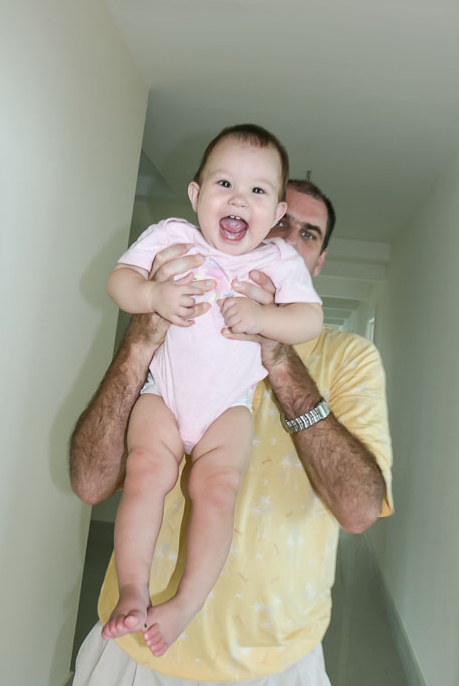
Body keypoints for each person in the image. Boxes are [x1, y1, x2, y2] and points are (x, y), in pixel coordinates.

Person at [70, 178, 393, 686]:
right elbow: (90, 482)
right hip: (136, 644)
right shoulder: (180, 315)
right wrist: (141, 338)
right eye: (278, 224)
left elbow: (359, 510)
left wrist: (279, 358)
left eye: (308, 234)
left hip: (272, 661)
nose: (286, 241)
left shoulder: (350, 358)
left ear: (318, 263)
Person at [101, 124, 323, 653]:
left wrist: (265, 318)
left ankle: (185, 603)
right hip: (164, 392)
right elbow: (119, 281)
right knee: (146, 471)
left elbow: (309, 320)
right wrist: (152, 295)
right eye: (224, 184)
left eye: (257, 190)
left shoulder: (278, 261)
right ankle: (132, 588)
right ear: (196, 194)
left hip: (228, 406)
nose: (239, 200)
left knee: (218, 491)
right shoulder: (172, 236)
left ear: (276, 214)